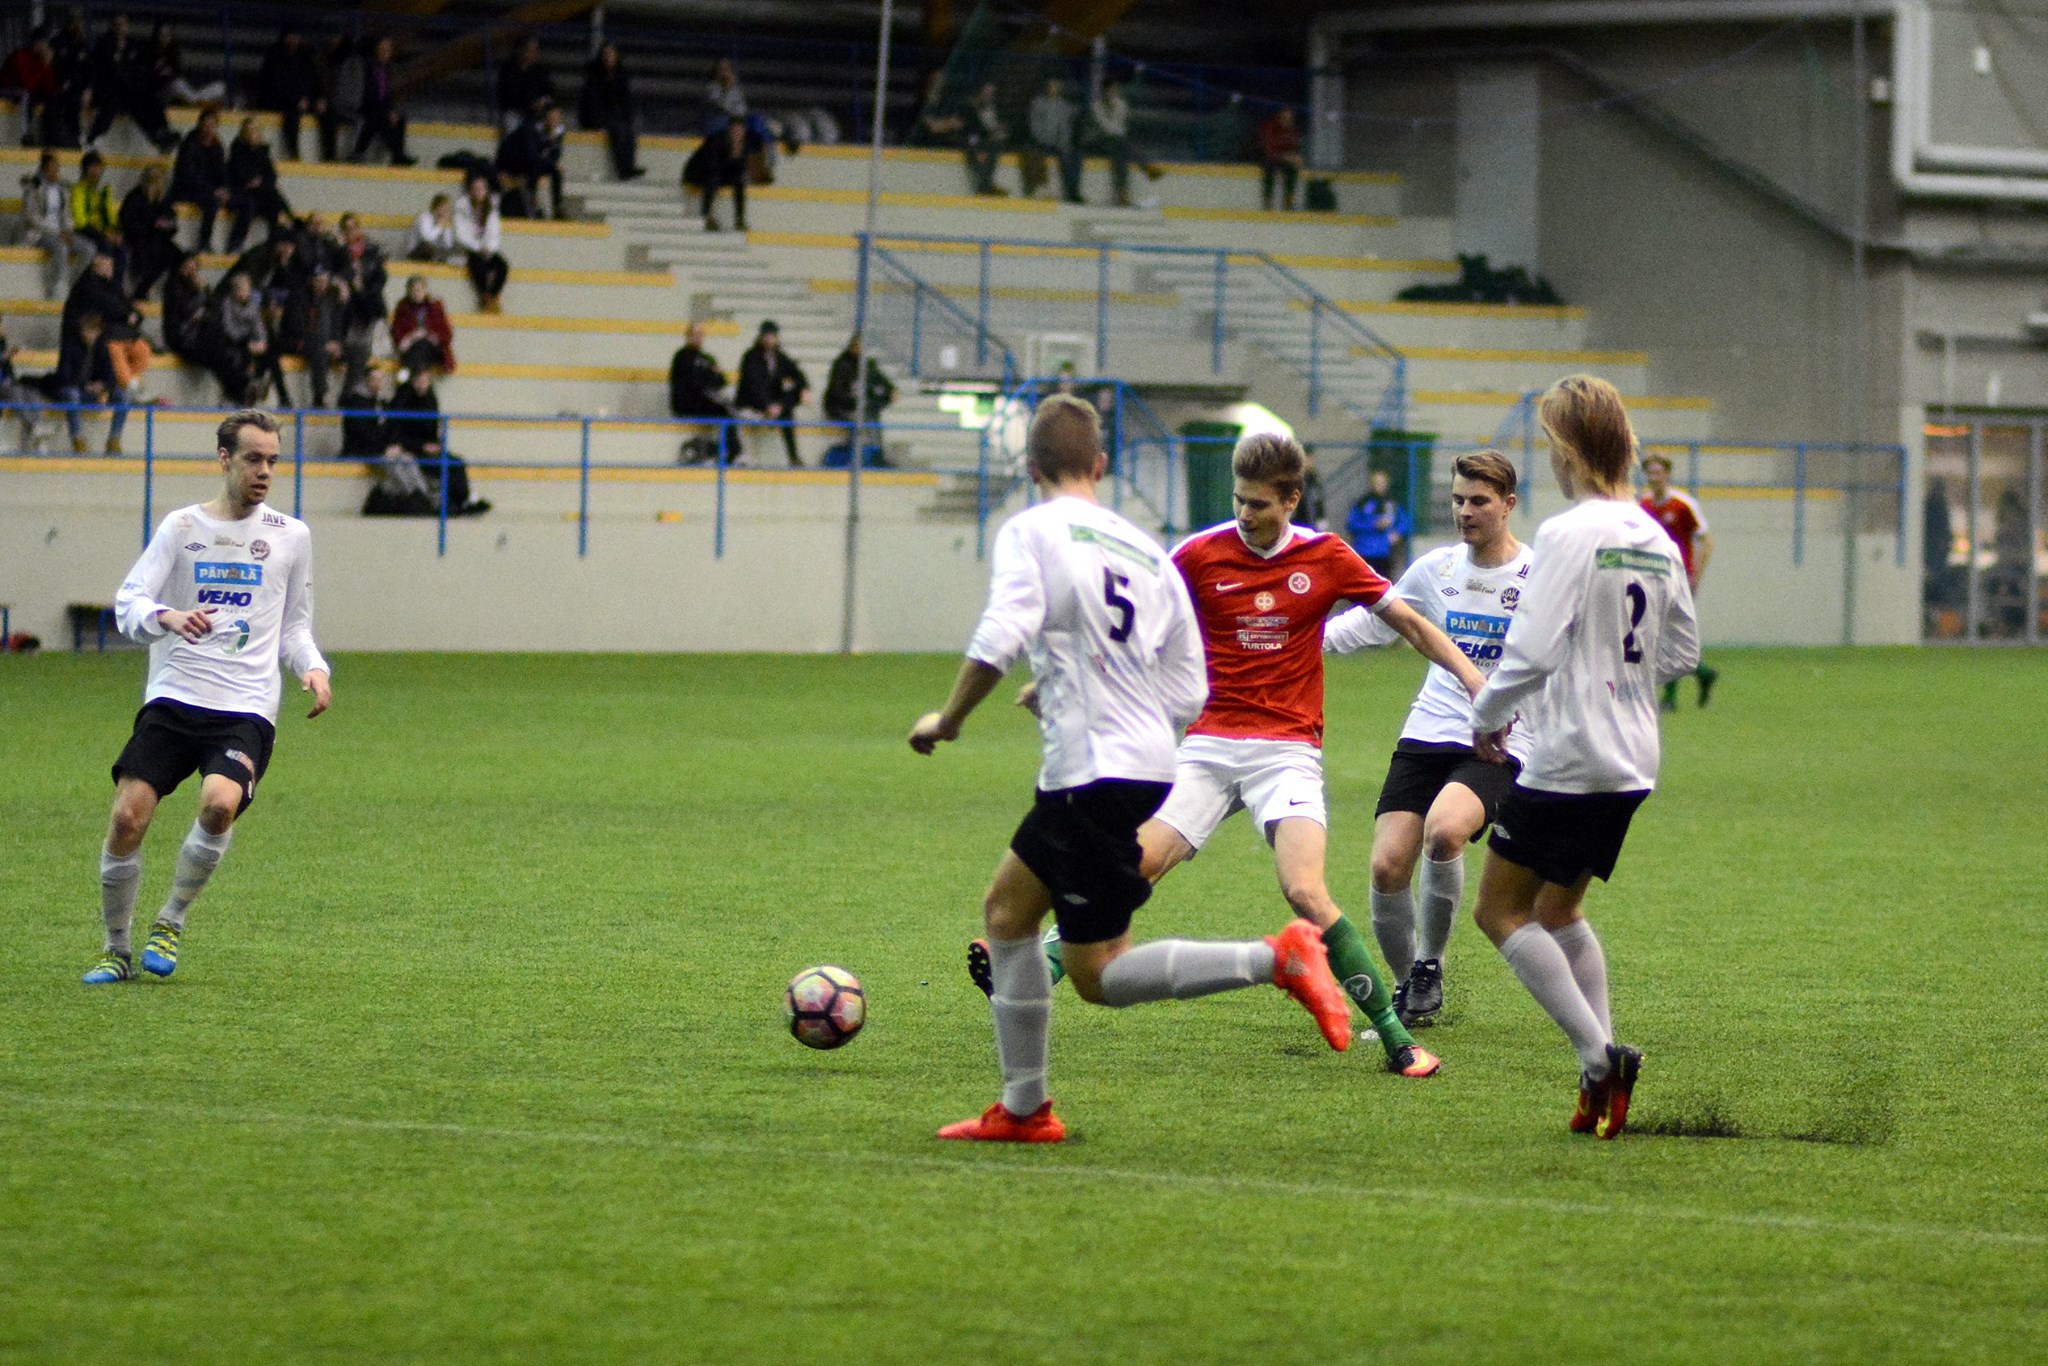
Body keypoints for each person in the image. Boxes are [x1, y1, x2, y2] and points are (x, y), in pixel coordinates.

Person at [909, 396, 1355, 1143]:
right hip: (1151, 763)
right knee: (1008, 914)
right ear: (1102, 466)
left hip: (1091, 771)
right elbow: (1187, 689)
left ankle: (1274, 959)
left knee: (1100, 974)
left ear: (1031, 467)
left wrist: (948, 719)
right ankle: (1023, 1108)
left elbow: (1001, 630)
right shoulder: (1143, 547)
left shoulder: (1032, 529)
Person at [989, 431, 1490, 1076]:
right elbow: (1135, 624)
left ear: (1291, 499)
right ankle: (1044, 965)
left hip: (1286, 751)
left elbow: (1414, 625)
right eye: (1238, 500)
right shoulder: (1199, 554)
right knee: (1134, 867)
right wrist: (1054, 681)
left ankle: (1398, 1038)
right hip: (1206, 747)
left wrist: (1472, 679)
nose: (1245, 514)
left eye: (1259, 504)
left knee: (1305, 891)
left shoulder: (1328, 556)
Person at [1467, 375, 1699, 1140]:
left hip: (1569, 755)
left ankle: (1599, 1056)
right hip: (1632, 760)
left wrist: (1488, 718)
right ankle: (1597, 1079)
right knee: (1560, 908)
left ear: (1567, 448)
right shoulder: (1654, 537)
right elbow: (1682, 651)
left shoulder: (1569, 533)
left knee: (1499, 911)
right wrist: (1621, 681)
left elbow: (1530, 652)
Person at [81, 410, 331, 986]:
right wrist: (168, 616)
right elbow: (129, 602)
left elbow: (295, 628)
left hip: (245, 708)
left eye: (273, 460)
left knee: (219, 805)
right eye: (253, 458)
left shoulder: (292, 536)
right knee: (127, 817)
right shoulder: (181, 528)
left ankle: (170, 920)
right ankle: (115, 947)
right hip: (174, 698)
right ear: (224, 459)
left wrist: (314, 669)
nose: (265, 470)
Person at [1324, 449, 1532, 1028]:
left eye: (1479, 501)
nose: (1466, 511)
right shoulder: (1434, 570)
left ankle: (1429, 966)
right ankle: (1407, 991)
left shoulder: (1535, 577)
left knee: (1445, 831)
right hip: (1427, 731)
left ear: (1508, 504)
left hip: (1497, 741)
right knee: (1388, 867)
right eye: (1458, 500)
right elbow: (1372, 622)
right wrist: (1300, 637)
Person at [1637, 454, 1719, 708]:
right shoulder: (1643, 505)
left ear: (1667, 475)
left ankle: (1670, 697)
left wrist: (1696, 575)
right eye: (1650, 472)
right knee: (1661, 634)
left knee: (1664, 634)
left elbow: (1706, 540)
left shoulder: (1683, 505)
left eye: (1658, 472)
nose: (1654, 477)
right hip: (1651, 577)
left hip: (1677, 578)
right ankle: (1703, 674)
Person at [388, 365, 489, 515]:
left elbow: (433, 429)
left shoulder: (430, 399)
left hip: (429, 448)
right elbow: (398, 432)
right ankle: (453, 504)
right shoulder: (404, 400)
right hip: (414, 449)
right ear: (413, 381)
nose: (422, 385)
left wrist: (436, 444)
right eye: (419, 381)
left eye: (425, 381)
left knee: (457, 462)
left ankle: (463, 501)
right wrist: (421, 446)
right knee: (443, 466)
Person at [342, 367, 437, 515]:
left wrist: (394, 446)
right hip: (362, 449)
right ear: (367, 380)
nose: (378, 383)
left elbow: (391, 428)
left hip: (383, 448)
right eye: (374, 379)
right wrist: (384, 449)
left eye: (381, 379)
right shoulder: (356, 402)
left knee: (408, 460)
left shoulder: (383, 403)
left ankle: (423, 496)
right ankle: (413, 496)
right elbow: (362, 433)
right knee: (395, 465)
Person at [63, 249, 150, 403]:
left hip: (112, 331)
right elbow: (108, 305)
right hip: (92, 332)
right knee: (114, 348)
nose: (111, 269)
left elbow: (125, 304)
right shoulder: (88, 284)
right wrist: (126, 315)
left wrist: (134, 315)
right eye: (107, 265)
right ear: (96, 267)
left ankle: (133, 382)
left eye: (111, 265)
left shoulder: (112, 285)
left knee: (142, 348)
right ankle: (128, 386)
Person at [84, 13, 177, 153]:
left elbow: (137, 68)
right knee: (112, 105)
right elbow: (106, 70)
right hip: (109, 90)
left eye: (124, 24)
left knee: (147, 102)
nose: (121, 28)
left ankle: (161, 136)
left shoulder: (132, 45)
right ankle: (92, 138)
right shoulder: (105, 44)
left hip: (128, 92)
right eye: (118, 24)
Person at [43, 309, 127, 454]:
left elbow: (112, 377)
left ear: (99, 332)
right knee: (71, 394)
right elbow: (64, 376)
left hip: (92, 392)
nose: (89, 334)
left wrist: (102, 386)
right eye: (87, 330)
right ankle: (77, 439)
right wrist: (85, 386)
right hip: (73, 390)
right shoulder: (70, 346)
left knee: (123, 395)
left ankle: (114, 439)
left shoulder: (102, 348)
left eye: (93, 331)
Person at [736, 320, 807, 466]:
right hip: (752, 404)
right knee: (779, 407)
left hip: (774, 405)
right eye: (766, 336)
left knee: (790, 405)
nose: (769, 339)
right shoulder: (751, 357)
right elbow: (753, 387)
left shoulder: (780, 357)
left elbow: (798, 375)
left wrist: (804, 388)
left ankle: (793, 457)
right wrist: (767, 406)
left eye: (772, 336)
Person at [255, 28, 332, 161]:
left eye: (297, 36)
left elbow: (314, 81)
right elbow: (274, 85)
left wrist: (320, 98)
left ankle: (330, 156)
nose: (294, 40)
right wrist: (295, 99)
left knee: (329, 114)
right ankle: (294, 154)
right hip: (280, 101)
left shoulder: (305, 57)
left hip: (304, 100)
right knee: (291, 117)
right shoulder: (275, 57)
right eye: (291, 36)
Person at [668, 321, 739, 465]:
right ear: (688, 337)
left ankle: (730, 451)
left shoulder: (707, 358)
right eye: (694, 335)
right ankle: (732, 452)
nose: (697, 338)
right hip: (687, 403)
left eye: (700, 335)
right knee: (723, 409)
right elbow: (691, 382)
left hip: (703, 400)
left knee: (728, 408)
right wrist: (707, 376)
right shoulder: (681, 357)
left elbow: (721, 380)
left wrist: (708, 377)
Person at [212, 271, 285, 405]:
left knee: (272, 355)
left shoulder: (253, 304)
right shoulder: (227, 304)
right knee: (240, 358)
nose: (245, 293)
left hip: (252, 342)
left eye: (247, 289)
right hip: (234, 343)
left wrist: (261, 342)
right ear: (235, 291)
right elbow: (229, 330)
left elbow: (258, 326)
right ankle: (246, 391)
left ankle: (282, 395)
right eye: (242, 290)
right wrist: (247, 344)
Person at [171, 104, 232, 253]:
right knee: (211, 202)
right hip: (188, 189)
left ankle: (234, 245)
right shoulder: (189, 144)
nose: (209, 129)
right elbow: (188, 176)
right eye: (206, 125)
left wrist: (224, 189)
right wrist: (213, 190)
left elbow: (221, 172)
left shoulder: (217, 146)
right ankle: (204, 242)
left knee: (245, 202)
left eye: (212, 126)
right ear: (200, 125)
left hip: (209, 189)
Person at [226, 116, 291, 252]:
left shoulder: (262, 150)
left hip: (260, 191)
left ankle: (275, 241)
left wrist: (260, 182)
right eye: (248, 131)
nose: (251, 134)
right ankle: (235, 243)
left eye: (254, 131)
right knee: (262, 200)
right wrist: (257, 181)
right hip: (242, 190)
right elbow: (239, 173)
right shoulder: (237, 148)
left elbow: (272, 176)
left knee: (273, 204)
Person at [579, 41, 643, 181]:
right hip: (597, 117)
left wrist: (627, 118)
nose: (609, 57)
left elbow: (626, 101)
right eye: (606, 54)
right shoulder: (594, 76)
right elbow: (591, 104)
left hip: (614, 116)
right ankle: (623, 170)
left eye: (612, 54)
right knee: (618, 130)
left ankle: (629, 166)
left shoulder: (621, 75)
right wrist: (598, 124)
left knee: (628, 129)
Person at [118, 163, 181, 300]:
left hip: (158, 239)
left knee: (179, 257)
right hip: (139, 239)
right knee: (155, 255)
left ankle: (173, 292)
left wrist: (167, 226)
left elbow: (172, 221)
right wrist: (154, 224)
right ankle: (140, 291)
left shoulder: (163, 200)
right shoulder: (135, 198)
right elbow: (128, 225)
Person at [496, 100, 567, 220]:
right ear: (546, 117)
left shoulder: (558, 131)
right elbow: (530, 156)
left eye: (557, 117)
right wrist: (550, 162)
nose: (555, 120)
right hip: (512, 161)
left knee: (556, 171)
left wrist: (552, 143)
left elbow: (554, 157)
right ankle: (532, 206)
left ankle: (558, 207)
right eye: (553, 116)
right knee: (535, 169)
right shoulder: (530, 128)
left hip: (530, 161)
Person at [350, 35, 415, 166]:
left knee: (398, 119)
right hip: (365, 105)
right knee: (379, 118)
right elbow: (370, 95)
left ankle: (397, 155)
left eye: (388, 49)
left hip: (377, 108)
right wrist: (387, 112)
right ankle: (397, 155)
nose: (387, 52)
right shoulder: (369, 67)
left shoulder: (385, 69)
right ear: (376, 49)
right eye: (384, 49)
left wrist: (391, 111)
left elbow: (385, 95)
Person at [21, 151, 76, 299]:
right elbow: (33, 218)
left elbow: (67, 214)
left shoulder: (62, 190)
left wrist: (68, 230)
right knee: (61, 248)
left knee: (88, 248)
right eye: (51, 169)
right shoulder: (33, 189)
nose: (55, 173)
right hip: (40, 233)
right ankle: (54, 287)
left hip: (61, 232)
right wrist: (58, 232)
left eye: (56, 169)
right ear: (43, 170)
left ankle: (77, 287)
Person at [295, 265, 351, 407]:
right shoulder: (303, 299)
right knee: (320, 353)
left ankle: (348, 396)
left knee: (358, 351)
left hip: (330, 343)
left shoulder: (332, 299)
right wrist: (325, 344)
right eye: (319, 281)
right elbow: (302, 327)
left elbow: (338, 324)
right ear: (312, 281)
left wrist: (337, 342)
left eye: (325, 281)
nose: (322, 284)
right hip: (308, 343)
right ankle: (319, 396)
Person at [453, 174, 508, 312]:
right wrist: (478, 248)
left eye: (481, 189)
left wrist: (489, 248)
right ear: (470, 191)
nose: (478, 192)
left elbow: (495, 232)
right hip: (470, 249)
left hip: (487, 249)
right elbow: (461, 235)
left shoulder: (491, 208)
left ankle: (493, 296)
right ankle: (484, 295)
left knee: (502, 266)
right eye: (475, 189)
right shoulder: (462, 207)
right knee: (477, 265)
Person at [684, 118, 750, 232]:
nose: (737, 134)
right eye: (735, 130)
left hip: (720, 171)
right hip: (698, 172)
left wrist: (736, 157)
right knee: (713, 179)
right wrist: (733, 157)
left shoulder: (744, 145)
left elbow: (739, 169)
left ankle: (740, 220)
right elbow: (711, 165)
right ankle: (705, 216)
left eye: (740, 131)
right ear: (729, 130)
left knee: (739, 182)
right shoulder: (716, 140)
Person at [1025, 78, 1082, 204]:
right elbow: (1035, 128)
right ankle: (1068, 192)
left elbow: (1066, 128)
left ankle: (1073, 191)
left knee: (1075, 155)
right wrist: (1049, 141)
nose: (1054, 89)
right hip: (1043, 142)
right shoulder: (1038, 103)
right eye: (1051, 86)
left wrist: (1063, 143)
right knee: (1059, 154)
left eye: (1056, 86)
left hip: (1059, 144)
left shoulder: (1064, 106)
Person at [1346, 468, 1410, 578]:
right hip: (1364, 551)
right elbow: (1351, 524)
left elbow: (1405, 522)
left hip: (1385, 553)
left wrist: (1397, 533)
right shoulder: (1362, 503)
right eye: (1376, 483)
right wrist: (1372, 525)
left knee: (1384, 586)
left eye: (1382, 483)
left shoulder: (1392, 503)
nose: (1379, 486)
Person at [1, 31, 60, 147]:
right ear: (35, 44)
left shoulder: (41, 59)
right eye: (42, 44)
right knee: (26, 95)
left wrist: (47, 65)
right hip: (7, 88)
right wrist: (42, 66)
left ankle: (51, 136)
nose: (45, 48)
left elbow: (50, 87)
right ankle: (26, 134)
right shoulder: (21, 56)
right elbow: (27, 84)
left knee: (52, 98)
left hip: (27, 90)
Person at [0, 314, 49, 449]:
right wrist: (4, 356)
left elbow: (8, 371)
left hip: (7, 384)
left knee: (31, 391)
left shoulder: (2, 343)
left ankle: (35, 431)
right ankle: (36, 429)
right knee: (15, 392)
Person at [391, 274, 455, 376]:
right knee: (418, 348)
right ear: (408, 292)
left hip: (433, 348)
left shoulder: (435, 306)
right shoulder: (403, 307)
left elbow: (447, 333)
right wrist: (412, 336)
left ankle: (411, 378)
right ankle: (422, 380)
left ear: (425, 290)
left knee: (422, 346)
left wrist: (428, 334)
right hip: (412, 347)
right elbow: (397, 331)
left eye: (419, 290)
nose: (417, 293)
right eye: (414, 290)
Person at [147, 22, 224, 107]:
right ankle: (197, 101)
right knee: (177, 85)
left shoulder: (174, 54)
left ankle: (196, 101)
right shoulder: (149, 53)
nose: (164, 38)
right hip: (159, 93)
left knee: (220, 87)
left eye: (167, 35)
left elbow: (178, 75)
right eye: (161, 34)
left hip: (178, 93)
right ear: (156, 36)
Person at [67, 150, 120, 270]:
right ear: (86, 170)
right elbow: (80, 221)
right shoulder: (78, 190)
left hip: (101, 231)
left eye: (99, 168)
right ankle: (100, 280)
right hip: (85, 231)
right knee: (104, 245)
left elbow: (110, 215)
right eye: (94, 168)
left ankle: (115, 284)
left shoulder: (104, 190)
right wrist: (104, 234)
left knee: (122, 247)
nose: (98, 172)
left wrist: (116, 232)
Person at [495, 35, 555, 131]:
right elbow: (510, 95)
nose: (535, 54)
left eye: (536, 51)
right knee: (512, 126)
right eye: (531, 51)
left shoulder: (541, 71)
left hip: (536, 113)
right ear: (522, 51)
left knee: (552, 121)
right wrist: (531, 104)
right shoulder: (509, 70)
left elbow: (549, 91)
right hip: (514, 111)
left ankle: (550, 145)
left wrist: (545, 100)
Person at [963, 81, 1007, 196]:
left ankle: (984, 187)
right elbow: (971, 130)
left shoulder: (996, 108)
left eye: (992, 93)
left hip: (995, 140)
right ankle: (985, 186)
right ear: (980, 92)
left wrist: (998, 132)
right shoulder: (972, 107)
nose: (989, 95)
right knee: (973, 148)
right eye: (987, 92)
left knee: (994, 148)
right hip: (976, 138)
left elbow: (1002, 126)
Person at [1257, 107, 1304, 211]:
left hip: (1285, 160)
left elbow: (1295, 146)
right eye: (1285, 118)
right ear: (1279, 118)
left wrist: (1295, 157)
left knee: (1292, 170)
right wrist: (1285, 156)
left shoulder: (1293, 130)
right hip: (1271, 159)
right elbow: (1268, 150)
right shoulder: (1270, 128)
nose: (1288, 121)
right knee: (1269, 169)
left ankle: (1288, 201)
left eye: (1290, 119)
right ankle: (1267, 201)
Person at [407, 193, 459, 262]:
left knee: (454, 252)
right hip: (416, 253)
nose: (446, 211)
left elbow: (448, 244)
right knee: (428, 247)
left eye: (447, 209)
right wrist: (439, 225)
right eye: (444, 207)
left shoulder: (444, 221)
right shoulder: (425, 217)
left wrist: (446, 228)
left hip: (435, 254)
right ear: (436, 207)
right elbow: (427, 239)